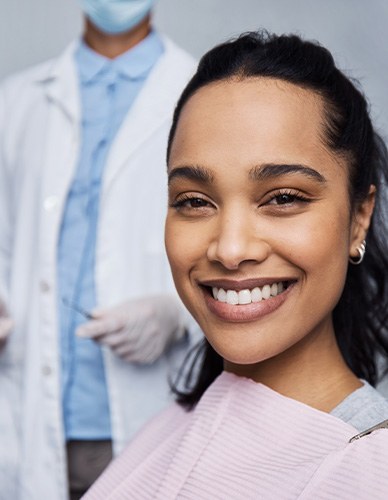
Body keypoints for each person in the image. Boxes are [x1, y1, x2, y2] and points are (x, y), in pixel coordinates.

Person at [83, 30, 388, 499]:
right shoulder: (168, 428)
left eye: (284, 197)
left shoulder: (365, 468)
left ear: (358, 218)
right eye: (194, 201)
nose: (229, 249)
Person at [0, 1, 198, 499]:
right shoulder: (14, 103)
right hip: (25, 417)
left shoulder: (202, 92)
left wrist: (179, 315)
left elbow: (238, 243)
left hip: (149, 414)